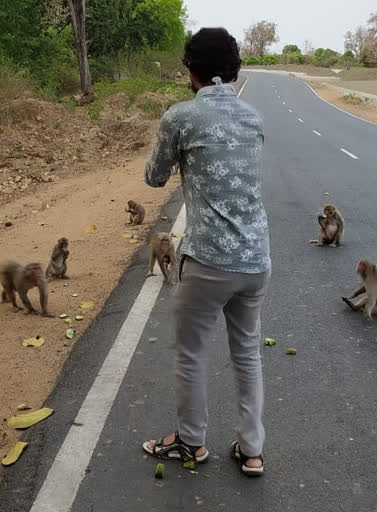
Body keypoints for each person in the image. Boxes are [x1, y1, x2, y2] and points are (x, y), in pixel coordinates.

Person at [141, 27, 271, 477]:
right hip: (256, 260)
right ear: (233, 70)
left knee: (191, 353)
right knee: (248, 353)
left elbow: (154, 178)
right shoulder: (253, 117)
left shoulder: (181, 116)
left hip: (209, 260)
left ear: (191, 71)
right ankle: (251, 450)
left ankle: (192, 443)